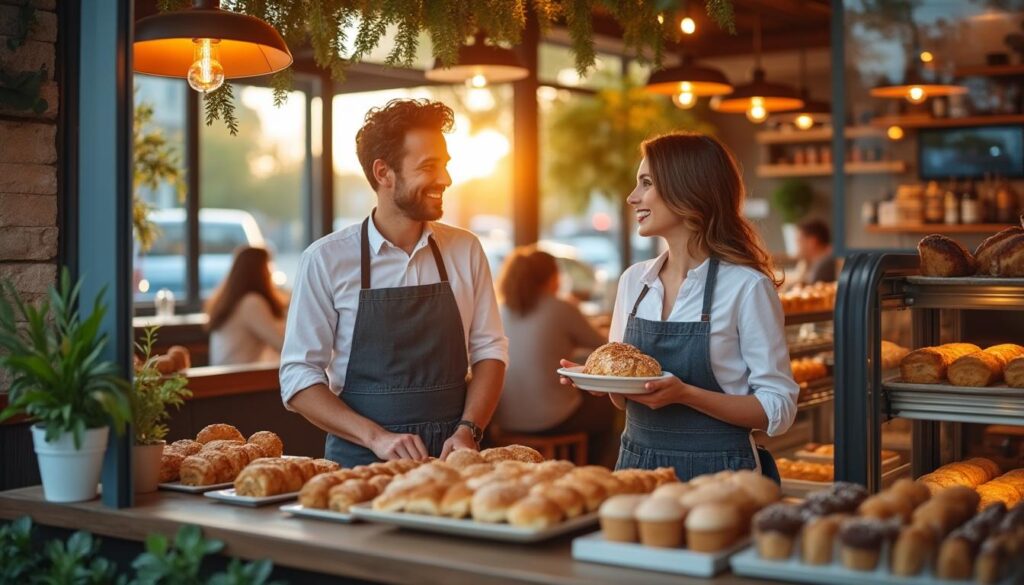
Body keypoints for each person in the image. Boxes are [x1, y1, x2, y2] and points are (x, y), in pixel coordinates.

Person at [279, 99, 508, 467]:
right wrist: (376, 438)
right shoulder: (325, 260)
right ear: (384, 173)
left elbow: (490, 353)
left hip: (452, 461)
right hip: (359, 462)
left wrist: (469, 428)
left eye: (445, 166)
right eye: (428, 167)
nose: (445, 179)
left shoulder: (465, 249)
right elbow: (298, 378)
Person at [561, 131, 799, 482]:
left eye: (646, 183)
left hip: (721, 476)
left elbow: (777, 409)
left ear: (687, 190)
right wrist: (605, 383)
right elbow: (622, 402)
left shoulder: (746, 287)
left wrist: (686, 395)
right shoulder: (634, 281)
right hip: (636, 468)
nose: (631, 197)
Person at [493, 247, 617, 466]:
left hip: (505, 421)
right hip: (551, 420)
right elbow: (605, 347)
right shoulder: (560, 307)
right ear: (551, 278)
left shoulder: (499, 310)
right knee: (608, 402)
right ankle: (589, 469)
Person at [206, 246, 286, 365]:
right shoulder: (251, 303)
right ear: (262, 271)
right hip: (239, 377)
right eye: (269, 266)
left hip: (229, 374)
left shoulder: (233, 300)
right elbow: (281, 344)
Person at [795, 219, 836, 285]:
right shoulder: (816, 262)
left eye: (799, 242)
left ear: (812, 242)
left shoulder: (823, 266)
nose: (797, 247)